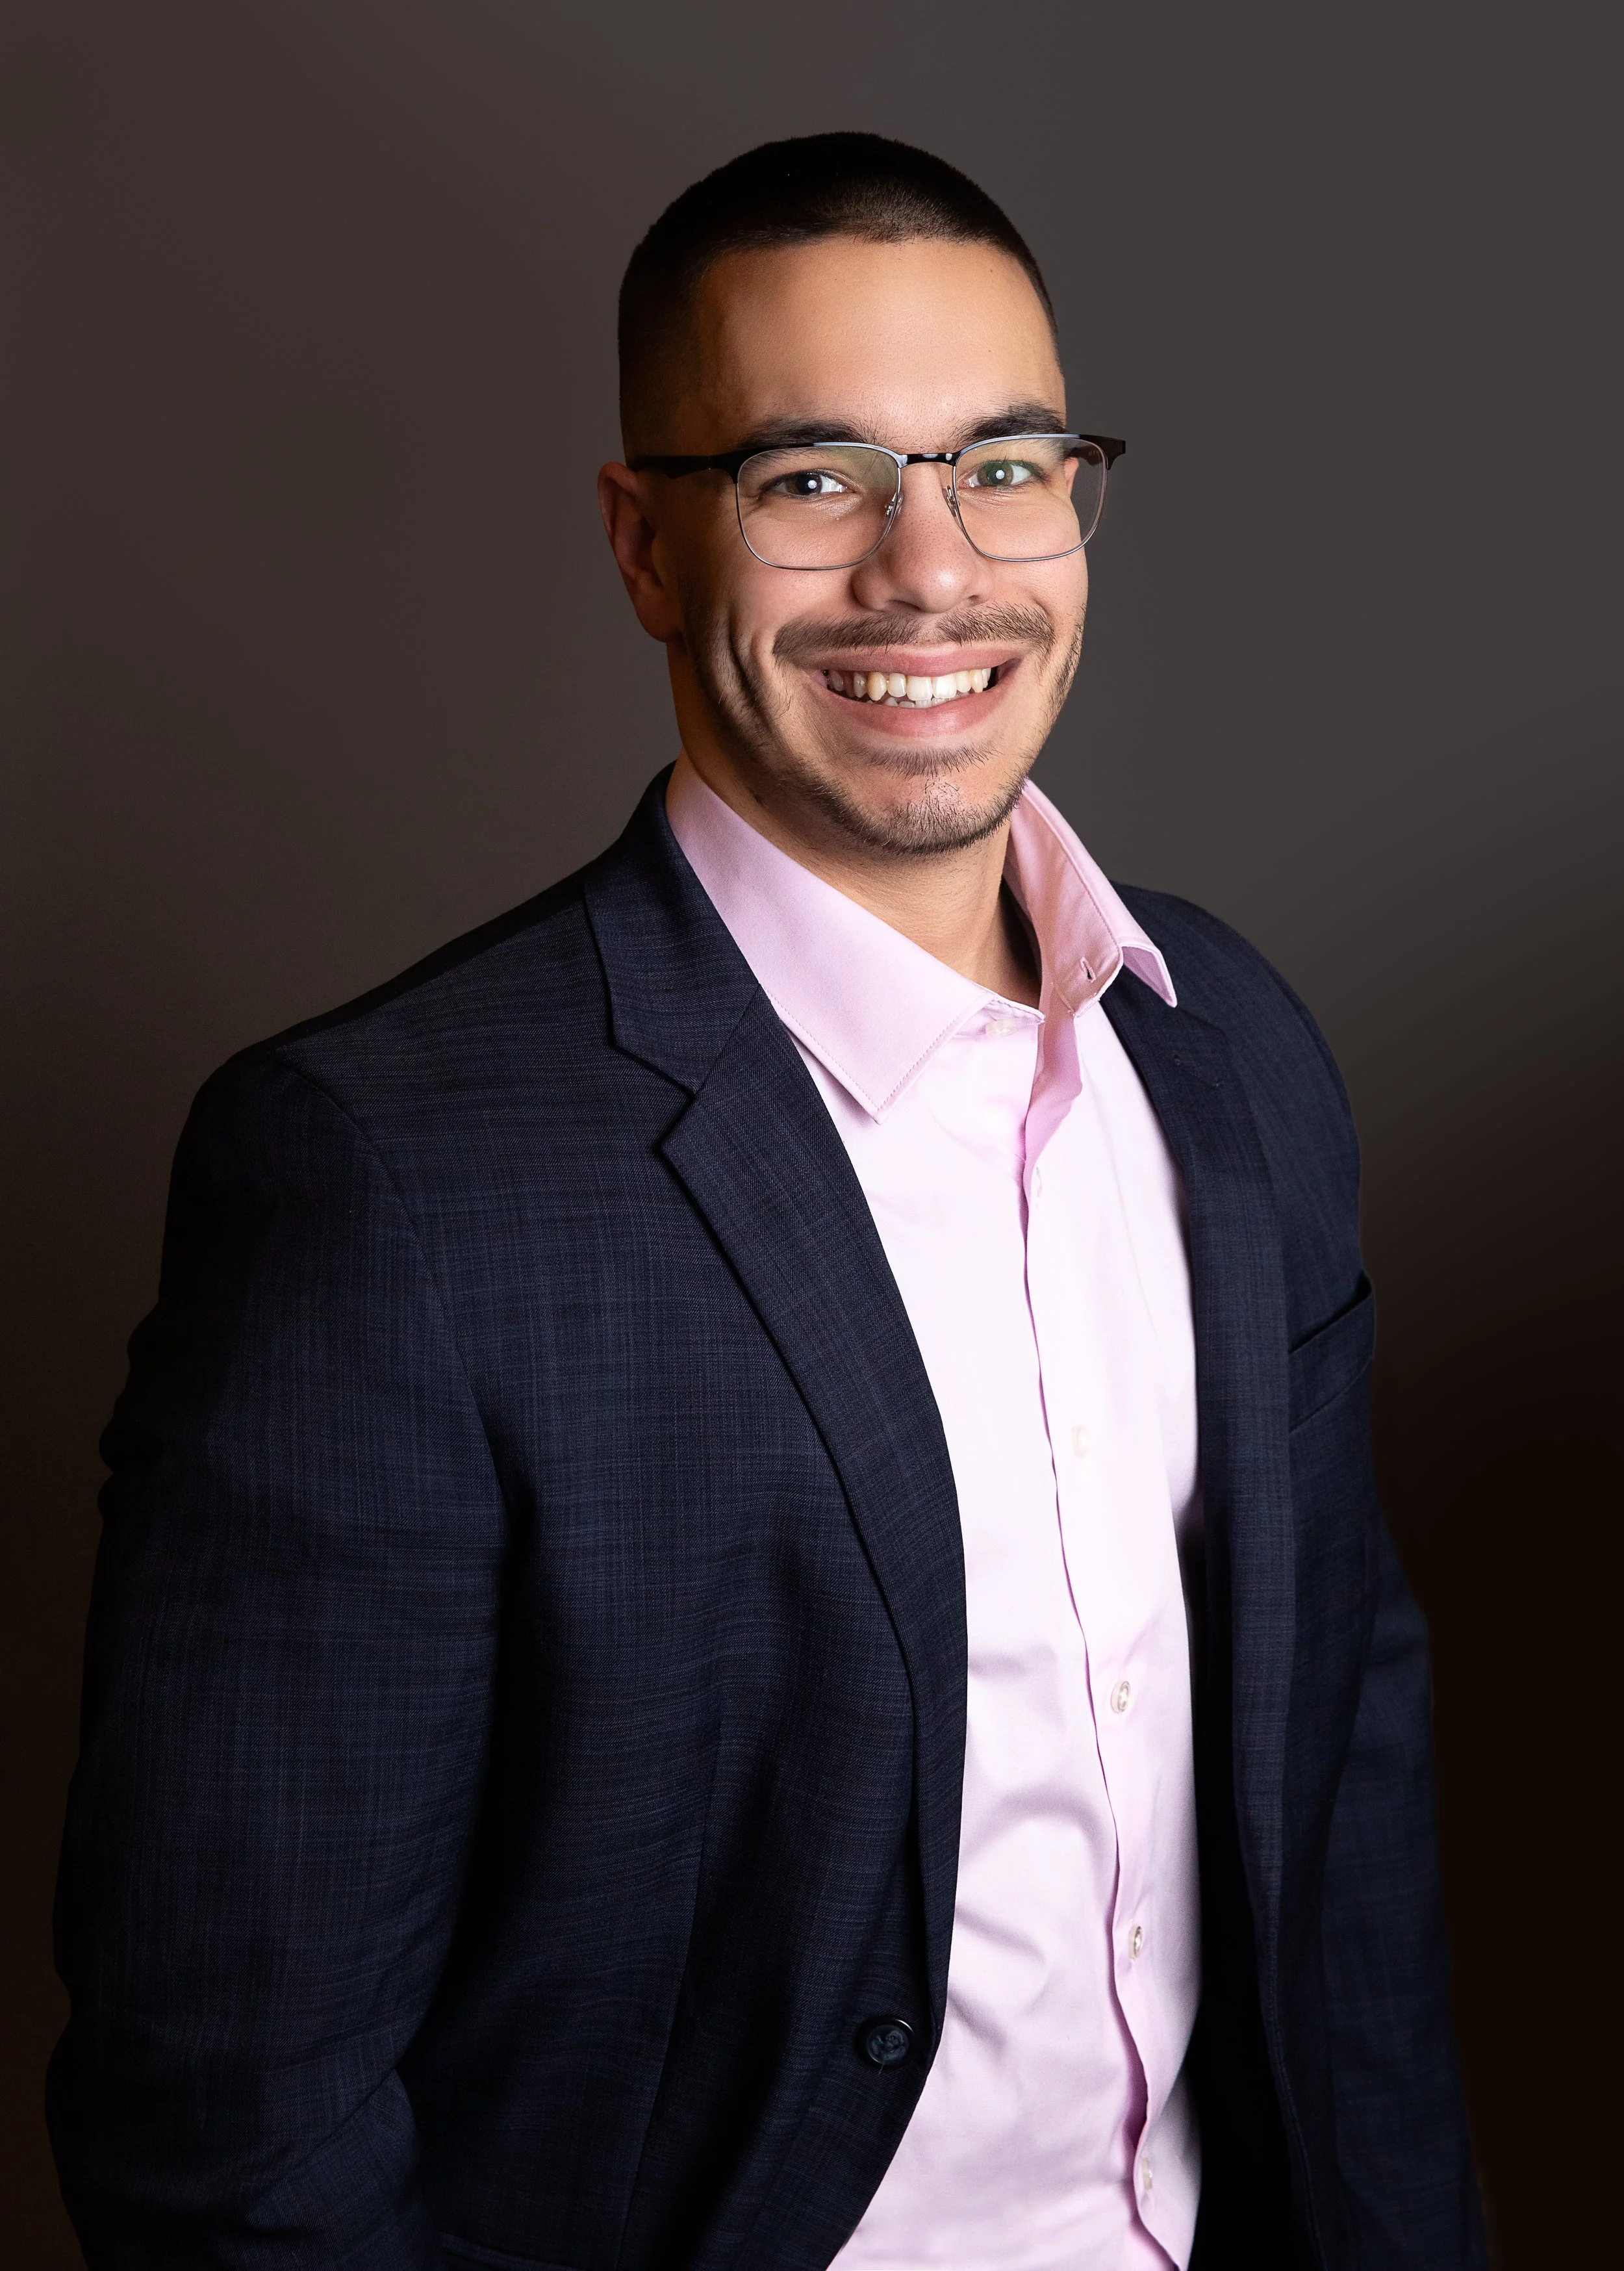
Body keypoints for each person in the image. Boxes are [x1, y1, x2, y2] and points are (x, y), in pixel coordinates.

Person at [48, 133, 1484, 2271]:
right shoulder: (386, 1177)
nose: (933, 569)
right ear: (645, 543)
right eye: (813, 478)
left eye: (1005, 463)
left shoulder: (1231, 1050)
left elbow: (1336, 1793)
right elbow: (229, 2115)